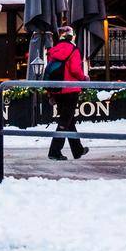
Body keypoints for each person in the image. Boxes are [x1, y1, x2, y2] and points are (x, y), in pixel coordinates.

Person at [45, 25, 88, 161]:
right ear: (71, 37)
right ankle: (54, 151)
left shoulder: (53, 50)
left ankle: (77, 150)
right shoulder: (73, 50)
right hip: (70, 89)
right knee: (65, 120)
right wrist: (84, 78)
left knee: (69, 120)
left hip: (57, 89)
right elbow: (75, 69)